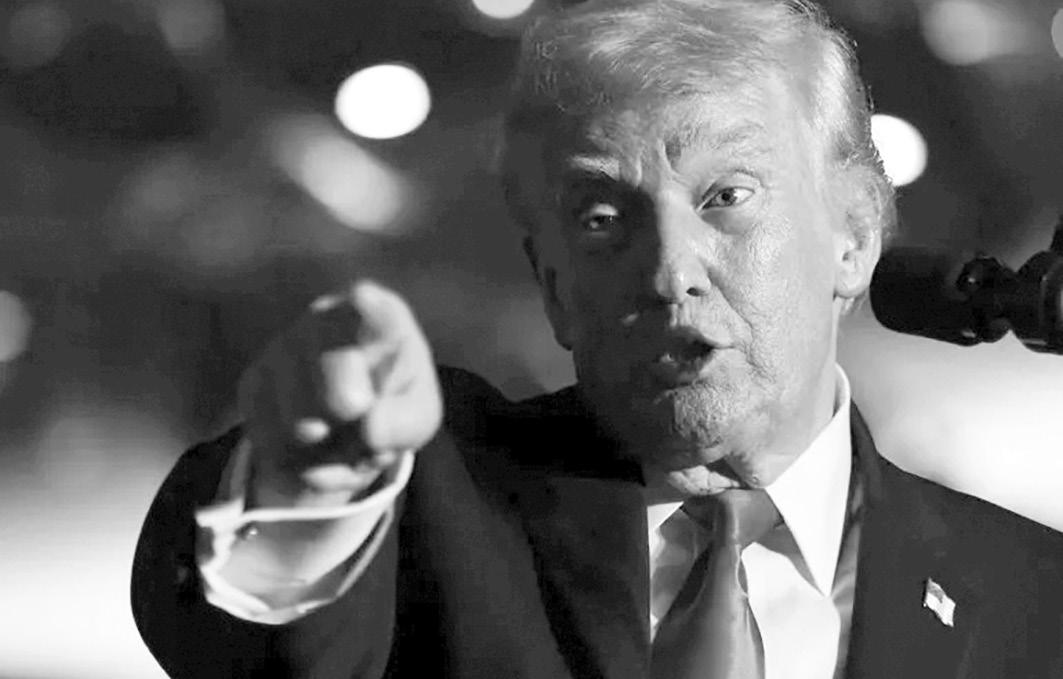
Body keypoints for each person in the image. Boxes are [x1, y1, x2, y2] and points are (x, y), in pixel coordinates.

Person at [131, 1, 1063, 677]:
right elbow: (246, 639)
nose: (669, 268)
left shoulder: (1036, 593)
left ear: (853, 235)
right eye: (603, 219)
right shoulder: (433, 505)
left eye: (724, 196)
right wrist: (314, 482)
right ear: (554, 289)